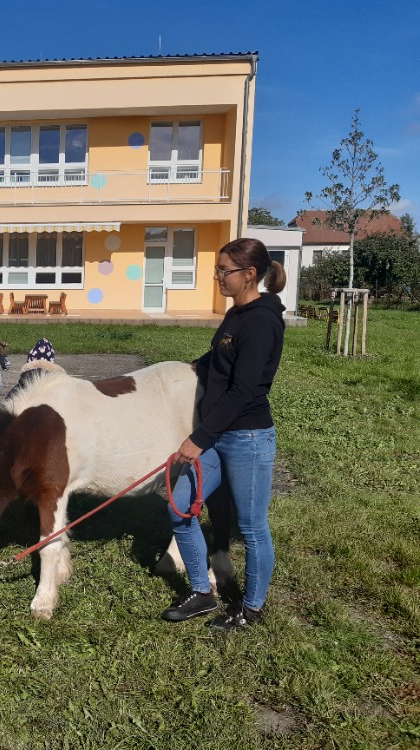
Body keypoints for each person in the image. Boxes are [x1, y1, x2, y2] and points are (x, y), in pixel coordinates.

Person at [161, 238, 287, 631]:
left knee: (251, 527)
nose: (216, 276)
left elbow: (244, 389)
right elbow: (221, 356)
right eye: (217, 269)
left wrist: (199, 438)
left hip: (248, 438)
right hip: (218, 436)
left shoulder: (262, 321)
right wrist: (194, 366)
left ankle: (251, 609)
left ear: (248, 274)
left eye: (223, 270)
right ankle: (202, 592)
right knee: (180, 508)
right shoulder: (235, 313)